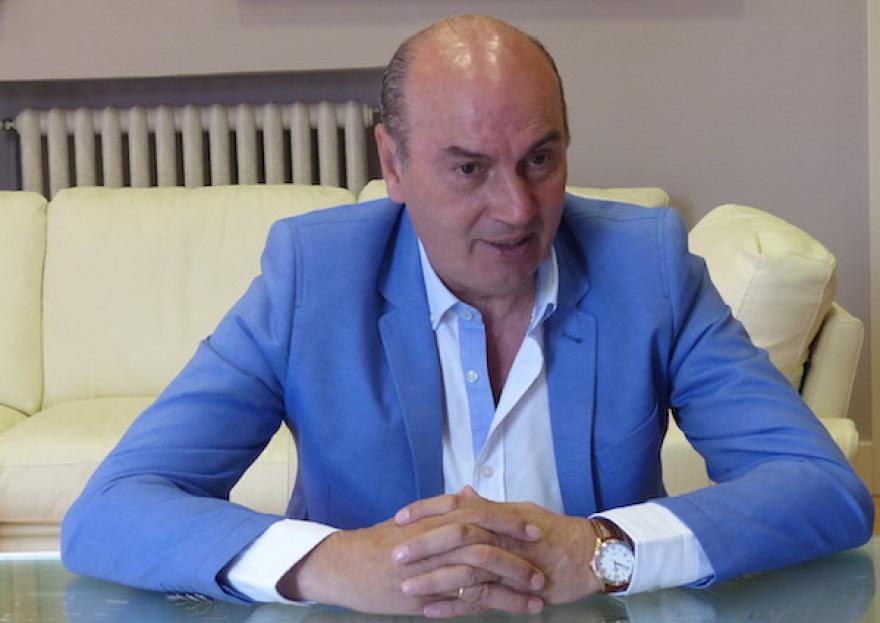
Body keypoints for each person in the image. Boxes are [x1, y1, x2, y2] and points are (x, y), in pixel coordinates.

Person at [61, 14, 872, 618]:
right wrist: (334, 563)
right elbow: (113, 509)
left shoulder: (645, 266)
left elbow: (823, 489)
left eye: (540, 159)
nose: (516, 208)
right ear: (393, 163)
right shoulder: (316, 277)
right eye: (468, 168)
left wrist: (603, 551)